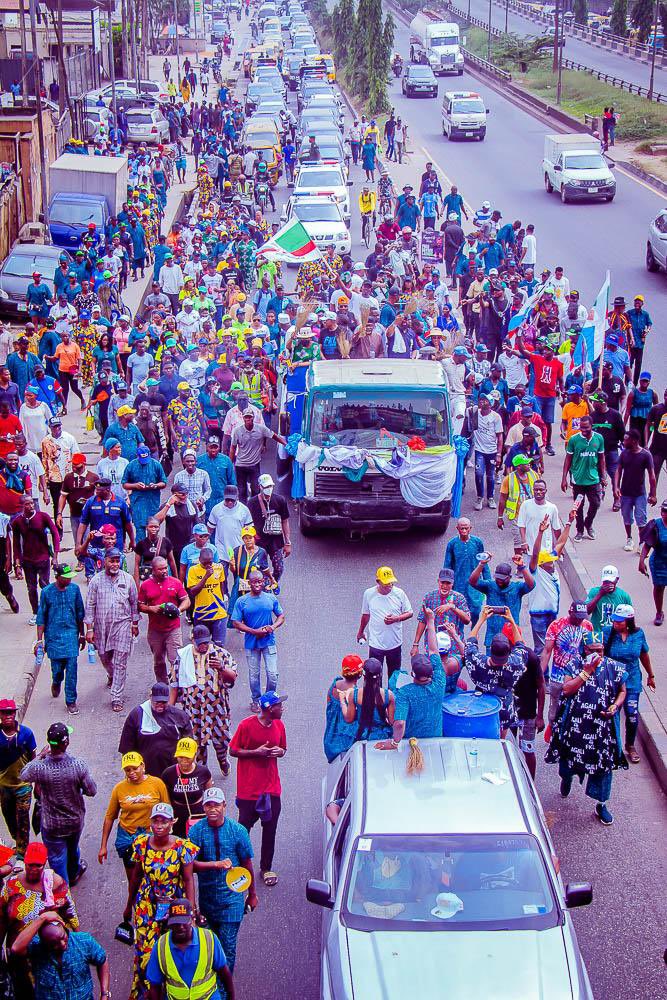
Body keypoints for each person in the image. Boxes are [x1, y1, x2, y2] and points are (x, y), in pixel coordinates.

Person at [545, 632, 628, 827]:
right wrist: (587, 671)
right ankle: (566, 779)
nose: (598, 654)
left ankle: (601, 804)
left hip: (601, 729)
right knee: (568, 761)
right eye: (593, 650)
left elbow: (623, 690)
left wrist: (615, 706)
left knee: (604, 766)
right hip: (576, 728)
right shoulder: (574, 665)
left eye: (601, 650)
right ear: (585, 650)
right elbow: (566, 689)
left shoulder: (613, 667)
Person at [123, 802, 197, 1000]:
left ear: (172, 823)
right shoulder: (142, 844)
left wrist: (191, 912)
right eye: (155, 820)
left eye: (164, 821)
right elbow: (137, 876)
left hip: (174, 905)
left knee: (172, 948)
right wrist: (128, 904)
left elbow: (189, 879)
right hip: (146, 905)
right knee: (145, 951)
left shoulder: (182, 847)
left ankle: (173, 992)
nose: (159, 825)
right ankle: (146, 993)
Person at [188, 786, 257, 979]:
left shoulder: (238, 831)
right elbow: (189, 866)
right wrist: (214, 865)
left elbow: (247, 863)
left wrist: (252, 895)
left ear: (224, 806)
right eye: (208, 805)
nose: (212, 809)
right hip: (208, 901)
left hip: (232, 902)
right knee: (209, 949)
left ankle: (225, 991)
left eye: (216, 805)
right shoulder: (197, 832)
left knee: (227, 950)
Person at [20, 722, 97, 885]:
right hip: (74, 821)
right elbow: (92, 791)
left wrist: (40, 756)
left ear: (50, 743)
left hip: (52, 825)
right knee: (73, 846)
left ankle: (64, 885)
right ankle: (73, 874)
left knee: (57, 859)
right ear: (66, 742)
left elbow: (24, 774)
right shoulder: (78, 765)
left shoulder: (40, 768)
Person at [0, 839, 78, 994]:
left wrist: (74, 949)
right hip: (20, 954)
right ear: (25, 863)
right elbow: (1, 919)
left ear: (45, 863)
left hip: (47, 955)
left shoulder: (56, 884)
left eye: (38, 865)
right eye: (30, 865)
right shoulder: (12, 885)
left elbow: (71, 916)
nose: (34, 869)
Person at [229, 691, 286, 888]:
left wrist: (280, 752)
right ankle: (239, 866)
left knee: (270, 828)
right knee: (243, 828)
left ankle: (266, 867)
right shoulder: (246, 725)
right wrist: (256, 752)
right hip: (249, 789)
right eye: (279, 705)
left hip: (271, 787)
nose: (283, 708)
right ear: (270, 709)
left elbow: (283, 748)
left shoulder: (279, 724)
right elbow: (233, 750)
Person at [170, 624, 237, 776]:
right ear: (193, 640)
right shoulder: (183, 656)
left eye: (206, 642)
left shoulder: (221, 654)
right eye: (200, 643)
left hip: (217, 709)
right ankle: (203, 775)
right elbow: (174, 684)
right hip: (193, 710)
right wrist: (170, 711)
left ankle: (222, 760)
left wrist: (221, 668)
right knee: (196, 743)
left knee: (220, 741)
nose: (203, 646)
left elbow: (232, 678)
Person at [375, 608, 444, 748]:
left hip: (410, 740)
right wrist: (431, 621)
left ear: (412, 673)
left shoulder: (404, 693)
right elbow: (433, 649)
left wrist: (394, 743)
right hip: (435, 735)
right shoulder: (440, 680)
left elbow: (399, 723)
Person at [145, 897, 235, 1000]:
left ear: (192, 919)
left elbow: (224, 973)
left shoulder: (209, 939)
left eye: (184, 922)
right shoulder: (160, 946)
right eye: (176, 923)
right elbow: (155, 985)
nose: (180, 927)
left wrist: (231, 997)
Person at [99, 752, 169, 881]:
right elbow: (110, 817)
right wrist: (103, 846)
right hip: (128, 837)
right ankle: (133, 900)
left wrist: (167, 838)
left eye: (135, 768)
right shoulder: (119, 788)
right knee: (133, 879)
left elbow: (167, 812)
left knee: (155, 876)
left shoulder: (157, 784)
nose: (131, 772)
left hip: (152, 836)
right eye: (127, 770)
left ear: (142, 766)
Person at [84, 547, 140, 711]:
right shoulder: (96, 580)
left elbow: (134, 603)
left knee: (120, 661)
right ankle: (111, 674)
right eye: (112, 561)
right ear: (105, 562)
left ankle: (116, 696)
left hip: (122, 625)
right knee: (105, 657)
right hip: (102, 627)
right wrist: (89, 629)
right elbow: (90, 605)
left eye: (117, 561)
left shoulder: (128, 579)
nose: (115, 564)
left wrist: (134, 624)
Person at [10, 911, 109, 1000]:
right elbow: (15, 948)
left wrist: (105, 994)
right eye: (54, 943)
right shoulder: (36, 948)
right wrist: (42, 918)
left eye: (63, 937)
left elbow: (102, 961)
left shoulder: (84, 941)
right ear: (44, 942)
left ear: (64, 928)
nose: (62, 944)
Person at [602, 604, 655, 764]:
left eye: (620, 621)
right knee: (613, 714)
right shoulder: (607, 632)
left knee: (632, 715)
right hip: (612, 682)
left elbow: (644, 654)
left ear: (629, 621)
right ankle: (614, 747)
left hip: (632, 680)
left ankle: (630, 745)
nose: (616, 624)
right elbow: (600, 653)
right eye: (615, 621)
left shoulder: (638, 634)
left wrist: (650, 675)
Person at [464, 610, 528, 735]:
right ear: (509, 651)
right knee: (501, 740)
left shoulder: (479, 662)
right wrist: (511, 620)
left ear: (491, 650)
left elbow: (470, 644)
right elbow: (520, 646)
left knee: (480, 739)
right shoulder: (515, 663)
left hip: (481, 708)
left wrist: (481, 619)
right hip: (504, 710)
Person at [231, 569, 285, 712]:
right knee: (254, 675)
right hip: (251, 643)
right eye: (254, 582)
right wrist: (253, 631)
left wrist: (272, 627)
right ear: (249, 583)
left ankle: (269, 699)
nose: (257, 584)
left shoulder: (271, 598)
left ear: (264, 582)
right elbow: (236, 622)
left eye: (260, 581)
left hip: (269, 641)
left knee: (272, 674)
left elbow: (281, 616)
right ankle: (256, 700)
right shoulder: (242, 601)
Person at [35, 563, 85, 714]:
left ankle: (71, 700)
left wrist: (81, 634)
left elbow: (80, 613)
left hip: (71, 634)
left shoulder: (75, 590)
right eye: (66, 577)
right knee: (57, 669)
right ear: (57, 577)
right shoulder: (46, 592)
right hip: (53, 637)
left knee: (71, 668)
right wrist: (39, 640)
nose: (69, 580)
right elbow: (41, 616)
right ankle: (56, 681)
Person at [119, 682, 193, 779]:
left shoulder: (180, 716)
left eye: (164, 702)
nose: (160, 705)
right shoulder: (137, 715)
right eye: (157, 702)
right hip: (146, 775)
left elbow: (189, 746)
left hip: (173, 772)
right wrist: (131, 771)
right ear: (150, 697)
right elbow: (127, 748)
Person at [357, 566, 413, 685]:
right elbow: (366, 615)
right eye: (386, 583)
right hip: (376, 645)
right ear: (378, 582)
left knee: (394, 678)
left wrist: (396, 619)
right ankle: (378, 700)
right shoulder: (369, 594)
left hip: (395, 644)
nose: (389, 585)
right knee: (374, 677)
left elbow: (410, 613)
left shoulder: (399, 593)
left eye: (391, 582)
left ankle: (392, 700)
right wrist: (360, 631)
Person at [138, 556, 190, 684]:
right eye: (160, 569)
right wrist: (151, 609)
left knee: (175, 659)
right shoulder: (145, 585)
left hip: (173, 628)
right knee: (159, 661)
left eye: (165, 568)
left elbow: (186, 600)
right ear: (153, 570)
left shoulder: (175, 582)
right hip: (155, 630)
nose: (164, 571)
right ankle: (162, 686)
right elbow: (139, 605)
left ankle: (177, 685)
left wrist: (179, 610)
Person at [469, 554, 534, 652]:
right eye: (497, 578)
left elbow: (531, 585)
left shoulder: (517, 588)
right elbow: (472, 581)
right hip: (492, 638)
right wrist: (481, 564)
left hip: (512, 638)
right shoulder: (489, 586)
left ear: (509, 577)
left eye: (503, 578)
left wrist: (522, 567)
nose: (499, 581)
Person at [12, 493, 60, 625]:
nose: (31, 506)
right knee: (31, 588)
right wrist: (17, 564)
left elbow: (55, 534)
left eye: (32, 503)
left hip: (43, 557)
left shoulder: (42, 516)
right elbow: (16, 544)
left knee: (45, 585)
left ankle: (49, 611)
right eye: (27, 504)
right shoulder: (17, 522)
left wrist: (55, 555)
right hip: (28, 560)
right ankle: (36, 612)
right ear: (22, 506)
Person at [0, 699, 35, 861]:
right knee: (9, 817)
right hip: (3, 786)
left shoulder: (26, 734)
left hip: (23, 786)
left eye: (10, 712)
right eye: (4, 713)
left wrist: (36, 782)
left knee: (22, 820)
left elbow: (33, 758)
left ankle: (22, 854)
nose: (8, 716)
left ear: (15, 714)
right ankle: (18, 842)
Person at [561, 415, 606, 541]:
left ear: (592, 426)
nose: (583, 430)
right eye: (581, 428)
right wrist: (564, 478)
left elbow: (602, 458)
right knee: (578, 507)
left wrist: (603, 476)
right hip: (578, 480)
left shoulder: (599, 438)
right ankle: (580, 530)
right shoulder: (574, 440)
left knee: (596, 503)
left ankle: (588, 524)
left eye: (586, 427)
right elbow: (568, 459)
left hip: (593, 479)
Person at [614, 428, 656, 553]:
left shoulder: (645, 455)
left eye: (626, 439)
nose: (624, 441)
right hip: (625, 493)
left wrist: (653, 494)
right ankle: (629, 538)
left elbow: (652, 475)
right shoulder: (624, 454)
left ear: (634, 441)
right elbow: (618, 470)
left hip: (639, 493)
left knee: (641, 519)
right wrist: (616, 487)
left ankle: (642, 542)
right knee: (626, 517)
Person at [161, 737, 212, 839]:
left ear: (195, 754)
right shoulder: (168, 773)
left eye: (187, 757)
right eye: (181, 757)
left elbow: (209, 795)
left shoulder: (203, 772)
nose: (184, 761)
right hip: (177, 817)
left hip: (198, 815)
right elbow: (164, 798)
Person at [443, 517, 489, 625]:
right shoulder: (452, 544)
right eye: (461, 528)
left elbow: (484, 563)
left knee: (476, 610)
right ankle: (459, 637)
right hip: (458, 585)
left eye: (466, 528)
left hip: (475, 585)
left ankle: (473, 636)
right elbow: (447, 566)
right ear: (457, 528)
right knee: (458, 613)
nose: (464, 531)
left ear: (470, 528)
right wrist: (446, 585)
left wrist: (489, 584)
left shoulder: (477, 542)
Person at [246, 472, 291, 581]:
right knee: (258, 569)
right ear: (260, 487)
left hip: (276, 542)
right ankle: (263, 587)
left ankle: (273, 581)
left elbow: (285, 521)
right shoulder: (252, 503)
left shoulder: (280, 500)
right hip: (259, 542)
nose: (268, 489)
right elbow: (247, 524)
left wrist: (288, 542)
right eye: (266, 486)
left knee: (279, 568)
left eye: (270, 486)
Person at [340, 657, 395, 744]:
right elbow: (392, 721)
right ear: (380, 675)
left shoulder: (354, 694)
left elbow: (349, 719)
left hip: (362, 735)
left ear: (363, 675)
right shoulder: (389, 695)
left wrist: (342, 701)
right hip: (382, 735)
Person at [323, 655, 364, 763]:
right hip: (347, 743)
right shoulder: (356, 695)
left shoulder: (334, 685)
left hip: (330, 740)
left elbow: (329, 706)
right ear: (359, 674)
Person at [468, 394, 503, 510]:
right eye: (481, 399)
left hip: (492, 451)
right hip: (479, 450)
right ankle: (479, 497)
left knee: (491, 476)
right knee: (478, 473)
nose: (482, 402)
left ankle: (490, 498)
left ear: (490, 403)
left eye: (485, 400)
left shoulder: (496, 417)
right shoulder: (475, 413)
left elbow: (500, 436)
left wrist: (498, 454)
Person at [639, 499, 667, 625]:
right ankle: (659, 612)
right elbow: (647, 545)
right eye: (663, 511)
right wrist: (641, 560)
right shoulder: (656, 524)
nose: (664, 514)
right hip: (658, 562)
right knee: (659, 587)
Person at [586, 564, 632, 633]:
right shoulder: (594, 592)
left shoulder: (624, 596)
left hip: (615, 635)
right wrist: (600, 594)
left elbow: (630, 618)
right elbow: (587, 611)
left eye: (611, 581)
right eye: (606, 581)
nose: (608, 584)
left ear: (617, 579)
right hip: (597, 633)